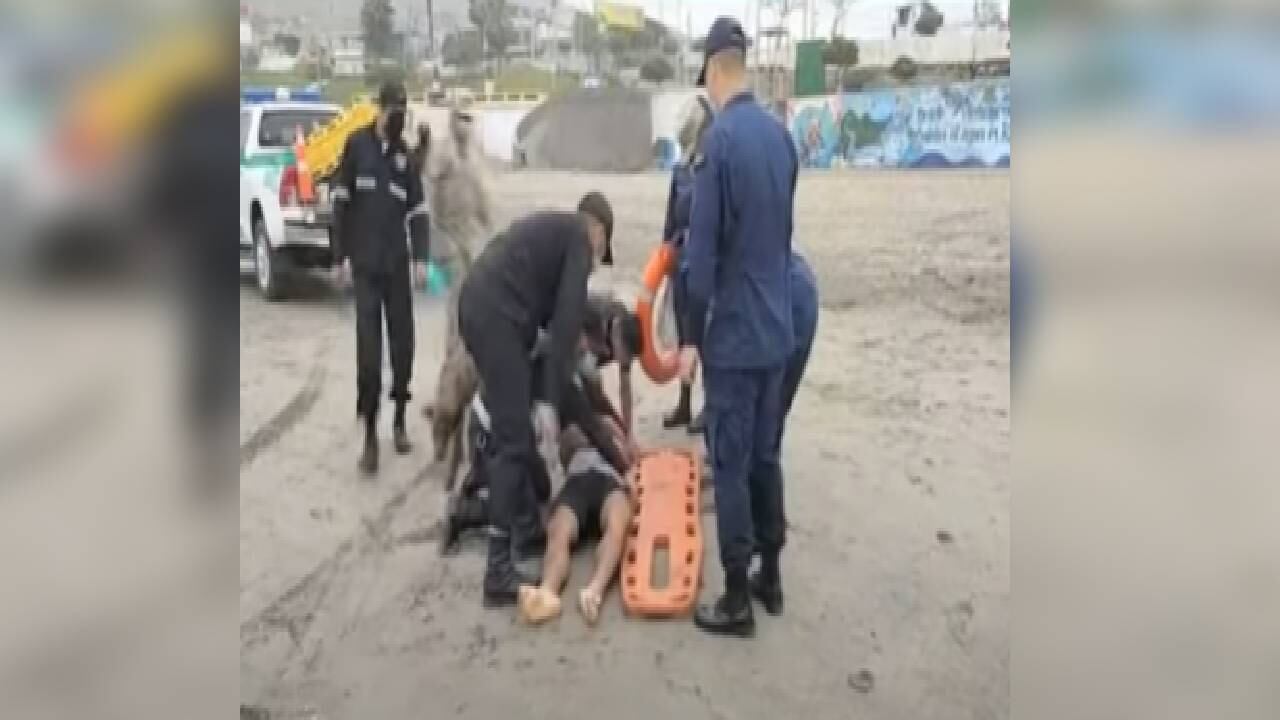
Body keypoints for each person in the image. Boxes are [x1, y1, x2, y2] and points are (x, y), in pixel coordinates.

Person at [678, 16, 799, 638]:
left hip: (732, 338)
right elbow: (781, 240)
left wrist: (691, 339)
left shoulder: (717, 145)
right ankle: (770, 577)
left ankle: (734, 598)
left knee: (728, 461)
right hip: (777, 331)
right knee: (765, 455)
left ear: (712, 71)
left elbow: (700, 262)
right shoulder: (783, 139)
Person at [457, 191, 615, 606]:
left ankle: (499, 533)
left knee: (517, 444)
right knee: (515, 442)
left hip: (481, 307)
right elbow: (564, 323)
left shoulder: (551, 238)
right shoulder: (578, 239)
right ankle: (498, 572)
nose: (595, 262)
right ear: (597, 231)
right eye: (602, 250)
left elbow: (554, 325)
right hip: (497, 316)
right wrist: (547, 401)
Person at [331, 80, 431, 475]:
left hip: (396, 270)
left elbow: (419, 213)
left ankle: (400, 419)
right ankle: (371, 435)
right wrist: (338, 257)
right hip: (366, 270)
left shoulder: (405, 159)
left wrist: (421, 259)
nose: (398, 120)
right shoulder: (356, 148)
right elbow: (340, 206)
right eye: (394, 113)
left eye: (404, 114)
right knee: (369, 356)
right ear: (380, 109)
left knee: (403, 347)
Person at [750, 250, 818, 616]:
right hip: (801, 287)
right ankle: (767, 549)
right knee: (769, 435)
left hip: (778, 302)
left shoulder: (697, 252)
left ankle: (768, 573)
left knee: (757, 443)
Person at [518, 421, 634, 626]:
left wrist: (617, 434)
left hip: (607, 478)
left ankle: (594, 591)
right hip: (576, 480)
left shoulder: (604, 421)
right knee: (559, 534)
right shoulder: (569, 421)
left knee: (616, 528)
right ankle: (547, 592)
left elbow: (628, 451)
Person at [662, 96, 714, 433]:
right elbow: (671, 217)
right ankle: (684, 401)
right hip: (681, 259)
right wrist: (666, 256)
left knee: (705, 335)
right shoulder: (682, 169)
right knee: (684, 334)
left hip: (704, 262)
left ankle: (710, 407)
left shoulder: (712, 167)